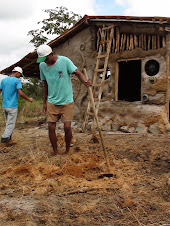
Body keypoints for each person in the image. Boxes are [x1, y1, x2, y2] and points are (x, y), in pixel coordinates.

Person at [37, 44, 92, 155]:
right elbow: (45, 85)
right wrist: (44, 102)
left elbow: (77, 72)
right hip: (52, 101)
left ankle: (67, 150)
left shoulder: (65, 61)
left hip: (66, 101)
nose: (45, 61)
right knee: (51, 127)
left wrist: (85, 81)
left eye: (46, 58)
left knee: (67, 127)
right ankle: (55, 152)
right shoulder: (42, 66)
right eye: (43, 60)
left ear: (51, 54)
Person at [0, 67, 33, 146]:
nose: (20, 76)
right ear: (18, 72)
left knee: (9, 123)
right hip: (12, 106)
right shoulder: (16, 81)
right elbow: (20, 93)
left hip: (4, 105)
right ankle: (4, 139)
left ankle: (9, 140)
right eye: (20, 74)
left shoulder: (3, 80)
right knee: (11, 124)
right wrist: (29, 99)